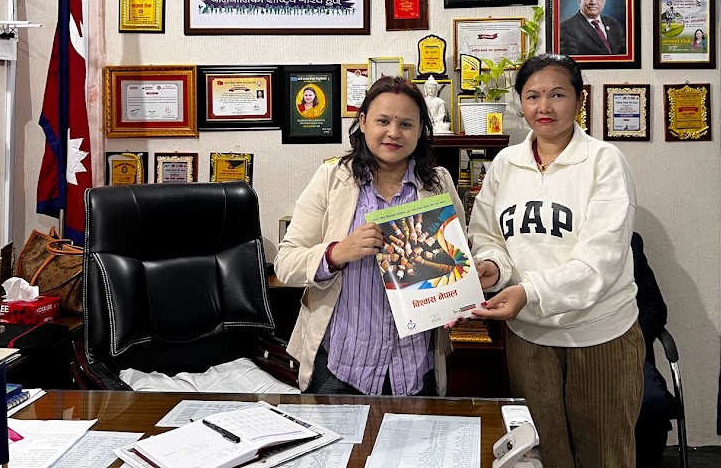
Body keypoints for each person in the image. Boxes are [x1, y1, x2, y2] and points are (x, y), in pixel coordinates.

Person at [468, 53, 644, 467]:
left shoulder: (604, 161)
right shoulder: (505, 164)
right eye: (532, 96)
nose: (544, 107)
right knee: (543, 455)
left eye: (557, 95)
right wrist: (492, 268)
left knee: (605, 456)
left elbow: (600, 260)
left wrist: (527, 292)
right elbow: (488, 235)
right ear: (520, 102)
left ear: (580, 100)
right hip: (528, 337)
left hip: (598, 335)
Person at [274, 76, 466, 396]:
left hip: (414, 367)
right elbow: (285, 263)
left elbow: (458, 262)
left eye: (406, 124)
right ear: (363, 122)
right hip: (342, 365)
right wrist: (336, 253)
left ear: (421, 129)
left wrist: (458, 290)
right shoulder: (332, 179)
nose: (394, 132)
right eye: (383, 121)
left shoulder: (438, 184)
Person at [631, 231, 677, 468]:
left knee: (653, 402)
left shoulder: (630, 242)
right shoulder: (557, 241)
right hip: (577, 354)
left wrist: (631, 338)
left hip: (630, 353)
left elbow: (655, 308)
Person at [559, 0, 626, 56]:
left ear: (604, 2)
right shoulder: (566, 28)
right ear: (580, 1)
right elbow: (571, 60)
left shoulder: (613, 23)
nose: (593, 2)